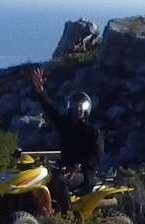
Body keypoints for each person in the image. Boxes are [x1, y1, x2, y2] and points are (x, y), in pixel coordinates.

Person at [27, 66, 103, 208]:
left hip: (85, 174)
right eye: (74, 109)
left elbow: (96, 156)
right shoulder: (65, 126)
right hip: (64, 168)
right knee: (41, 178)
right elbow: (51, 111)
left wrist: (78, 166)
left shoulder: (93, 132)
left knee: (60, 180)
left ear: (85, 111)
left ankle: (66, 216)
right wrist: (40, 91)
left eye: (79, 109)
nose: (76, 112)